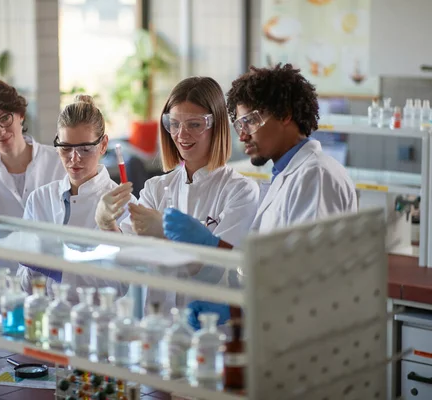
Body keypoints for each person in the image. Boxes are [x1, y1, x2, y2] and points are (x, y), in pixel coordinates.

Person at [185, 63, 358, 329]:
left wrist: (237, 307)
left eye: (250, 121)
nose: (242, 135)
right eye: (239, 124)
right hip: (279, 329)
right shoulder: (285, 173)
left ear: (285, 114)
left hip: (308, 337)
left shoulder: (316, 176)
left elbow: (308, 276)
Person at [95, 76, 260, 312]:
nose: (181, 134)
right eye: (174, 123)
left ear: (217, 126)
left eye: (194, 124)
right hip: (157, 321)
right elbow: (128, 261)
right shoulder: (154, 188)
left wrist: (165, 231)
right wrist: (107, 223)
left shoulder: (241, 191)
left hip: (209, 324)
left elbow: (215, 272)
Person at [19, 94, 131, 302]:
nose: (74, 158)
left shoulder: (124, 205)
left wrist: (59, 270)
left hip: (97, 326)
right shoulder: (40, 198)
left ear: (103, 145)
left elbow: (119, 286)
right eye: (66, 148)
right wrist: (33, 267)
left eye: (85, 149)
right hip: (45, 319)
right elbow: (24, 285)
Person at [0, 79, 66, 273]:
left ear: (20, 115)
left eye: (4, 119)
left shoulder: (59, 161)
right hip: (9, 281)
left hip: (60, 277)